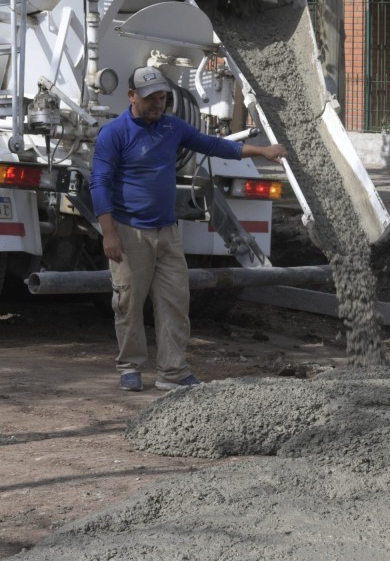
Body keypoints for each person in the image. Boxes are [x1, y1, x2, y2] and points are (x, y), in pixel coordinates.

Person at [91, 66, 288, 392]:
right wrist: (109, 232)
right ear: (131, 97)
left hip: (168, 232)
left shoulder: (172, 126)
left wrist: (263, 152)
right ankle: (130, 367)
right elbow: (99, 183)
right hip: (129, 233)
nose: (157, 103)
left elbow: (213, 145)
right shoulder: (114, 134)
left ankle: (172, 372)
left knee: (175, 302)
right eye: (150, 98)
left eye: (162, 97)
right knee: (128, 302)